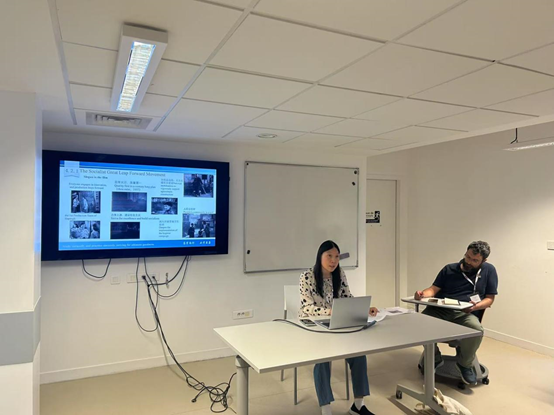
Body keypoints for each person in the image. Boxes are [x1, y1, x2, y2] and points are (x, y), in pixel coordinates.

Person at [299, 240, 378, 415]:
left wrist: (364, 308)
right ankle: (326, 410)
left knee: (359, 355)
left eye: (336, 257)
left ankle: (358, 406)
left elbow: (347, 298)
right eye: (329, 256)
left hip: (338, 325)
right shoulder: (307, 276)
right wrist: (329, 311)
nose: (333, 261)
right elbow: (306, 308)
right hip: (315, 327)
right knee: (322, 360)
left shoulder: (340, 274)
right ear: (320, 256)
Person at [414, 241, 498, 385]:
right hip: (439, 310)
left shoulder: (489, 270)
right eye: (468, 257)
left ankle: (464, 364)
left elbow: (490, 299)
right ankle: (435, 358)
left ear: (483, 261)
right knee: (418, 324)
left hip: (465, 312)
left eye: (475, 260)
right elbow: (433, 289)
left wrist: (476, 306)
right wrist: (422, 294)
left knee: (476, 330)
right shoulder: (449, 269)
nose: (469, 262)